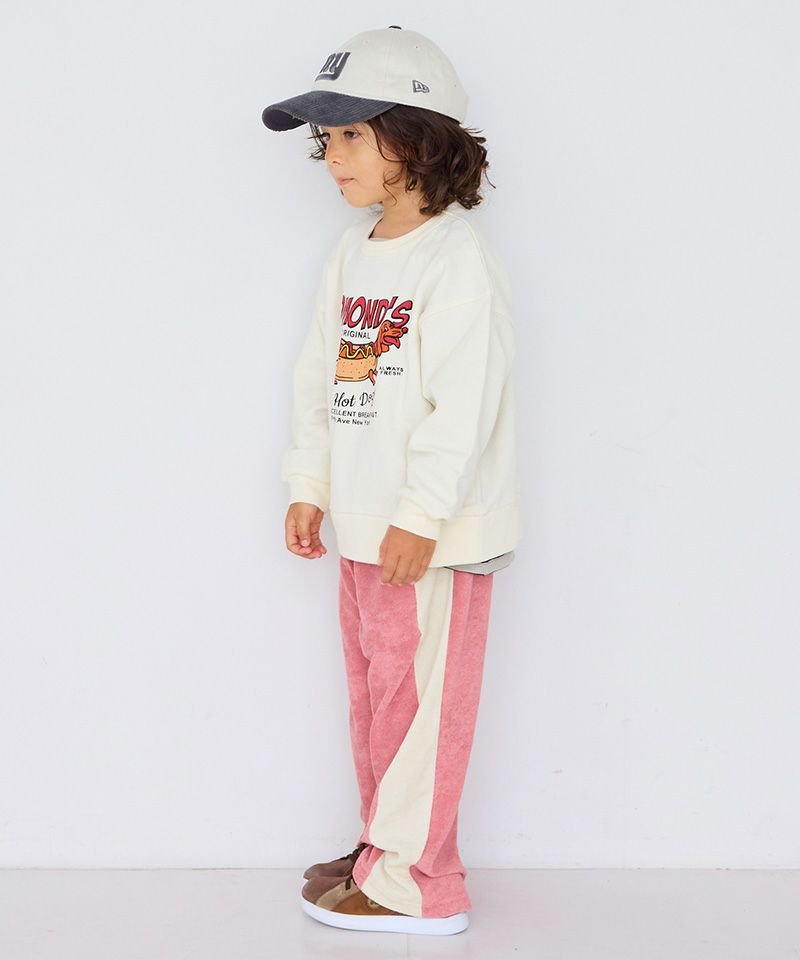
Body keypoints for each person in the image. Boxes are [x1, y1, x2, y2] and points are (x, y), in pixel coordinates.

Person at [261, 25, 522, 937]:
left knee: (424, 711)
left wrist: (420, 514)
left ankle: (421, 883)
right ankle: (383, 847)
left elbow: (466, 404)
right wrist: (310, 483)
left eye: (351, 135)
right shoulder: (355, 251)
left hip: (431, 535)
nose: (332, 157)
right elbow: (321, 375)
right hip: (364, 527)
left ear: (414, 137)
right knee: (379, 701)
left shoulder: (455, 260)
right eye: (326, 138)